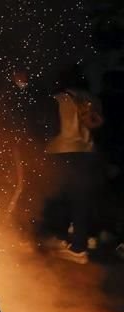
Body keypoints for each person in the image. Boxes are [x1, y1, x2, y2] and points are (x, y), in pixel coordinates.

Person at [40, 86, 104, 264]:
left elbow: (49, 127)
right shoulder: (89, 97)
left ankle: (71, 244)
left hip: (62, 150)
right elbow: (98, 124)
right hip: (87, 152)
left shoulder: (57, 99)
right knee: (81, 200)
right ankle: (82, 240)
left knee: (59, 198)